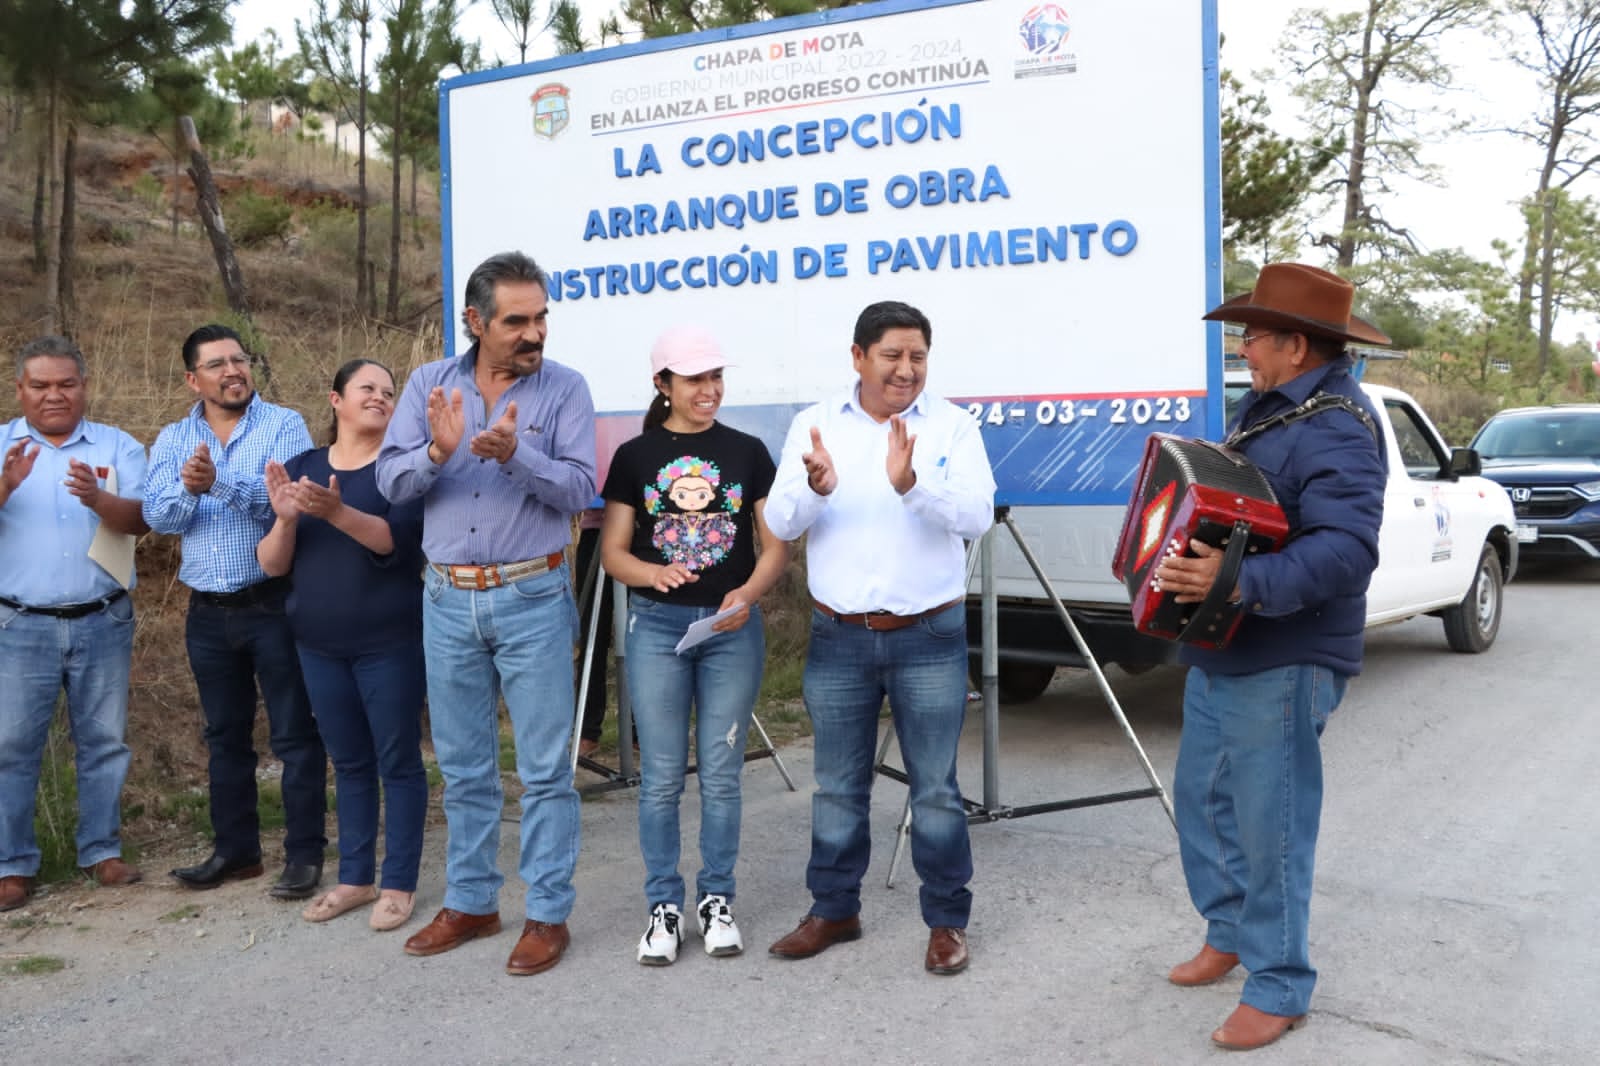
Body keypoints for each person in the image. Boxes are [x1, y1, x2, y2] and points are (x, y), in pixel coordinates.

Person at [1154, 263, 1387, 1051]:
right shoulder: (1263, 411)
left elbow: (1349, 553)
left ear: (1294, 344)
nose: (1243, 348)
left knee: (1271, 826)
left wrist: (1236, 579)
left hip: (1286, 653)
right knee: (1203, 802)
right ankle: (1230, 933)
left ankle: (1280, 985)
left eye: (1252, 336)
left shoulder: (1337, 426)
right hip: (1226, 644)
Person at [377, 251, 596, 975]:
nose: (534, 333)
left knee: (543, 771)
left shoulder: (565, 390)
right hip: (445, 599)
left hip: (532, 594)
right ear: (474, 321)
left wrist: (514, 456)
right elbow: (391, 481)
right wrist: (438, 453)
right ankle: (471, 901)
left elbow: (578, 490)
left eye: (541, 318)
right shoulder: (426, 384)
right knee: (466, 768)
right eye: (517, 321)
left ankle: (546, 913)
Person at [763, 301, 995, 976]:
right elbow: (781, 516)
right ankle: (834, 909)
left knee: (936, 790)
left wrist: (913, 485)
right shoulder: (814, 425)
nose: (906, 369)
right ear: (859, 356)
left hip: (929, 635)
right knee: (837, 785)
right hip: (839, 637)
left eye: (917, 356)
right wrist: (814, 489)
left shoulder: (953, 425)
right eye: (891, 355)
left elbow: (978, 513)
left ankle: (947, 920)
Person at [599, 326, 790, 965]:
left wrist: (748, 595)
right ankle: (664, 905)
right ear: (664, 385)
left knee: (722, 773)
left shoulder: (748, 451)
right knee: (658, 779)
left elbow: (776, 547)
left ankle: (717, 899)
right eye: (694, 380)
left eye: (715, 377)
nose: (708, 390)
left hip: (730, 630)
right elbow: (614, 554)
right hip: (656, 628)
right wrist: (652, 573)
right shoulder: (635, 456)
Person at [144, 324, 328, 901]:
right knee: (224, 736)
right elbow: (159, 515)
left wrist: (218, 481)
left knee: (295, 735)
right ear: (192, 379)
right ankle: (236, 850)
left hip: (272, 604)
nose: (233, 371)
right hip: (207, 614)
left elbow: (289, 501)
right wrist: (191, 489)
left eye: (239, 359)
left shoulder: (284, 424)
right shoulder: (174, 437)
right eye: (217, 364)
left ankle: (303, 854)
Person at [256, 359, 427, 932]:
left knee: (397, 762)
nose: (380, 397)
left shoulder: (399, 471)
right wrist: (284, 520)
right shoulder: (303, 468)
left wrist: (336, 511)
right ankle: (355, 878)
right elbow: (273, 564)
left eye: (387, 392)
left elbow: (394, 545)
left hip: (390, 642)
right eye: (366, 389)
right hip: (317, 644)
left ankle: (399, 882)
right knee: (350, 762)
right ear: (335, 399)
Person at [0, 336, 149, 912]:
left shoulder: (119, 445)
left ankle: (100, 851)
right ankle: (12, 866)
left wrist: (98, 501)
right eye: (40, 385)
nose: (54, 395)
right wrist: (7, 485)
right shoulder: (4, 447)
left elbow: (142, 520)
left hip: (102, 620)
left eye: (66, 383)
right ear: (21, 390)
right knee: (12, 747)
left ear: (84, 386)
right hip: (20, 624)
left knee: (105, 743)